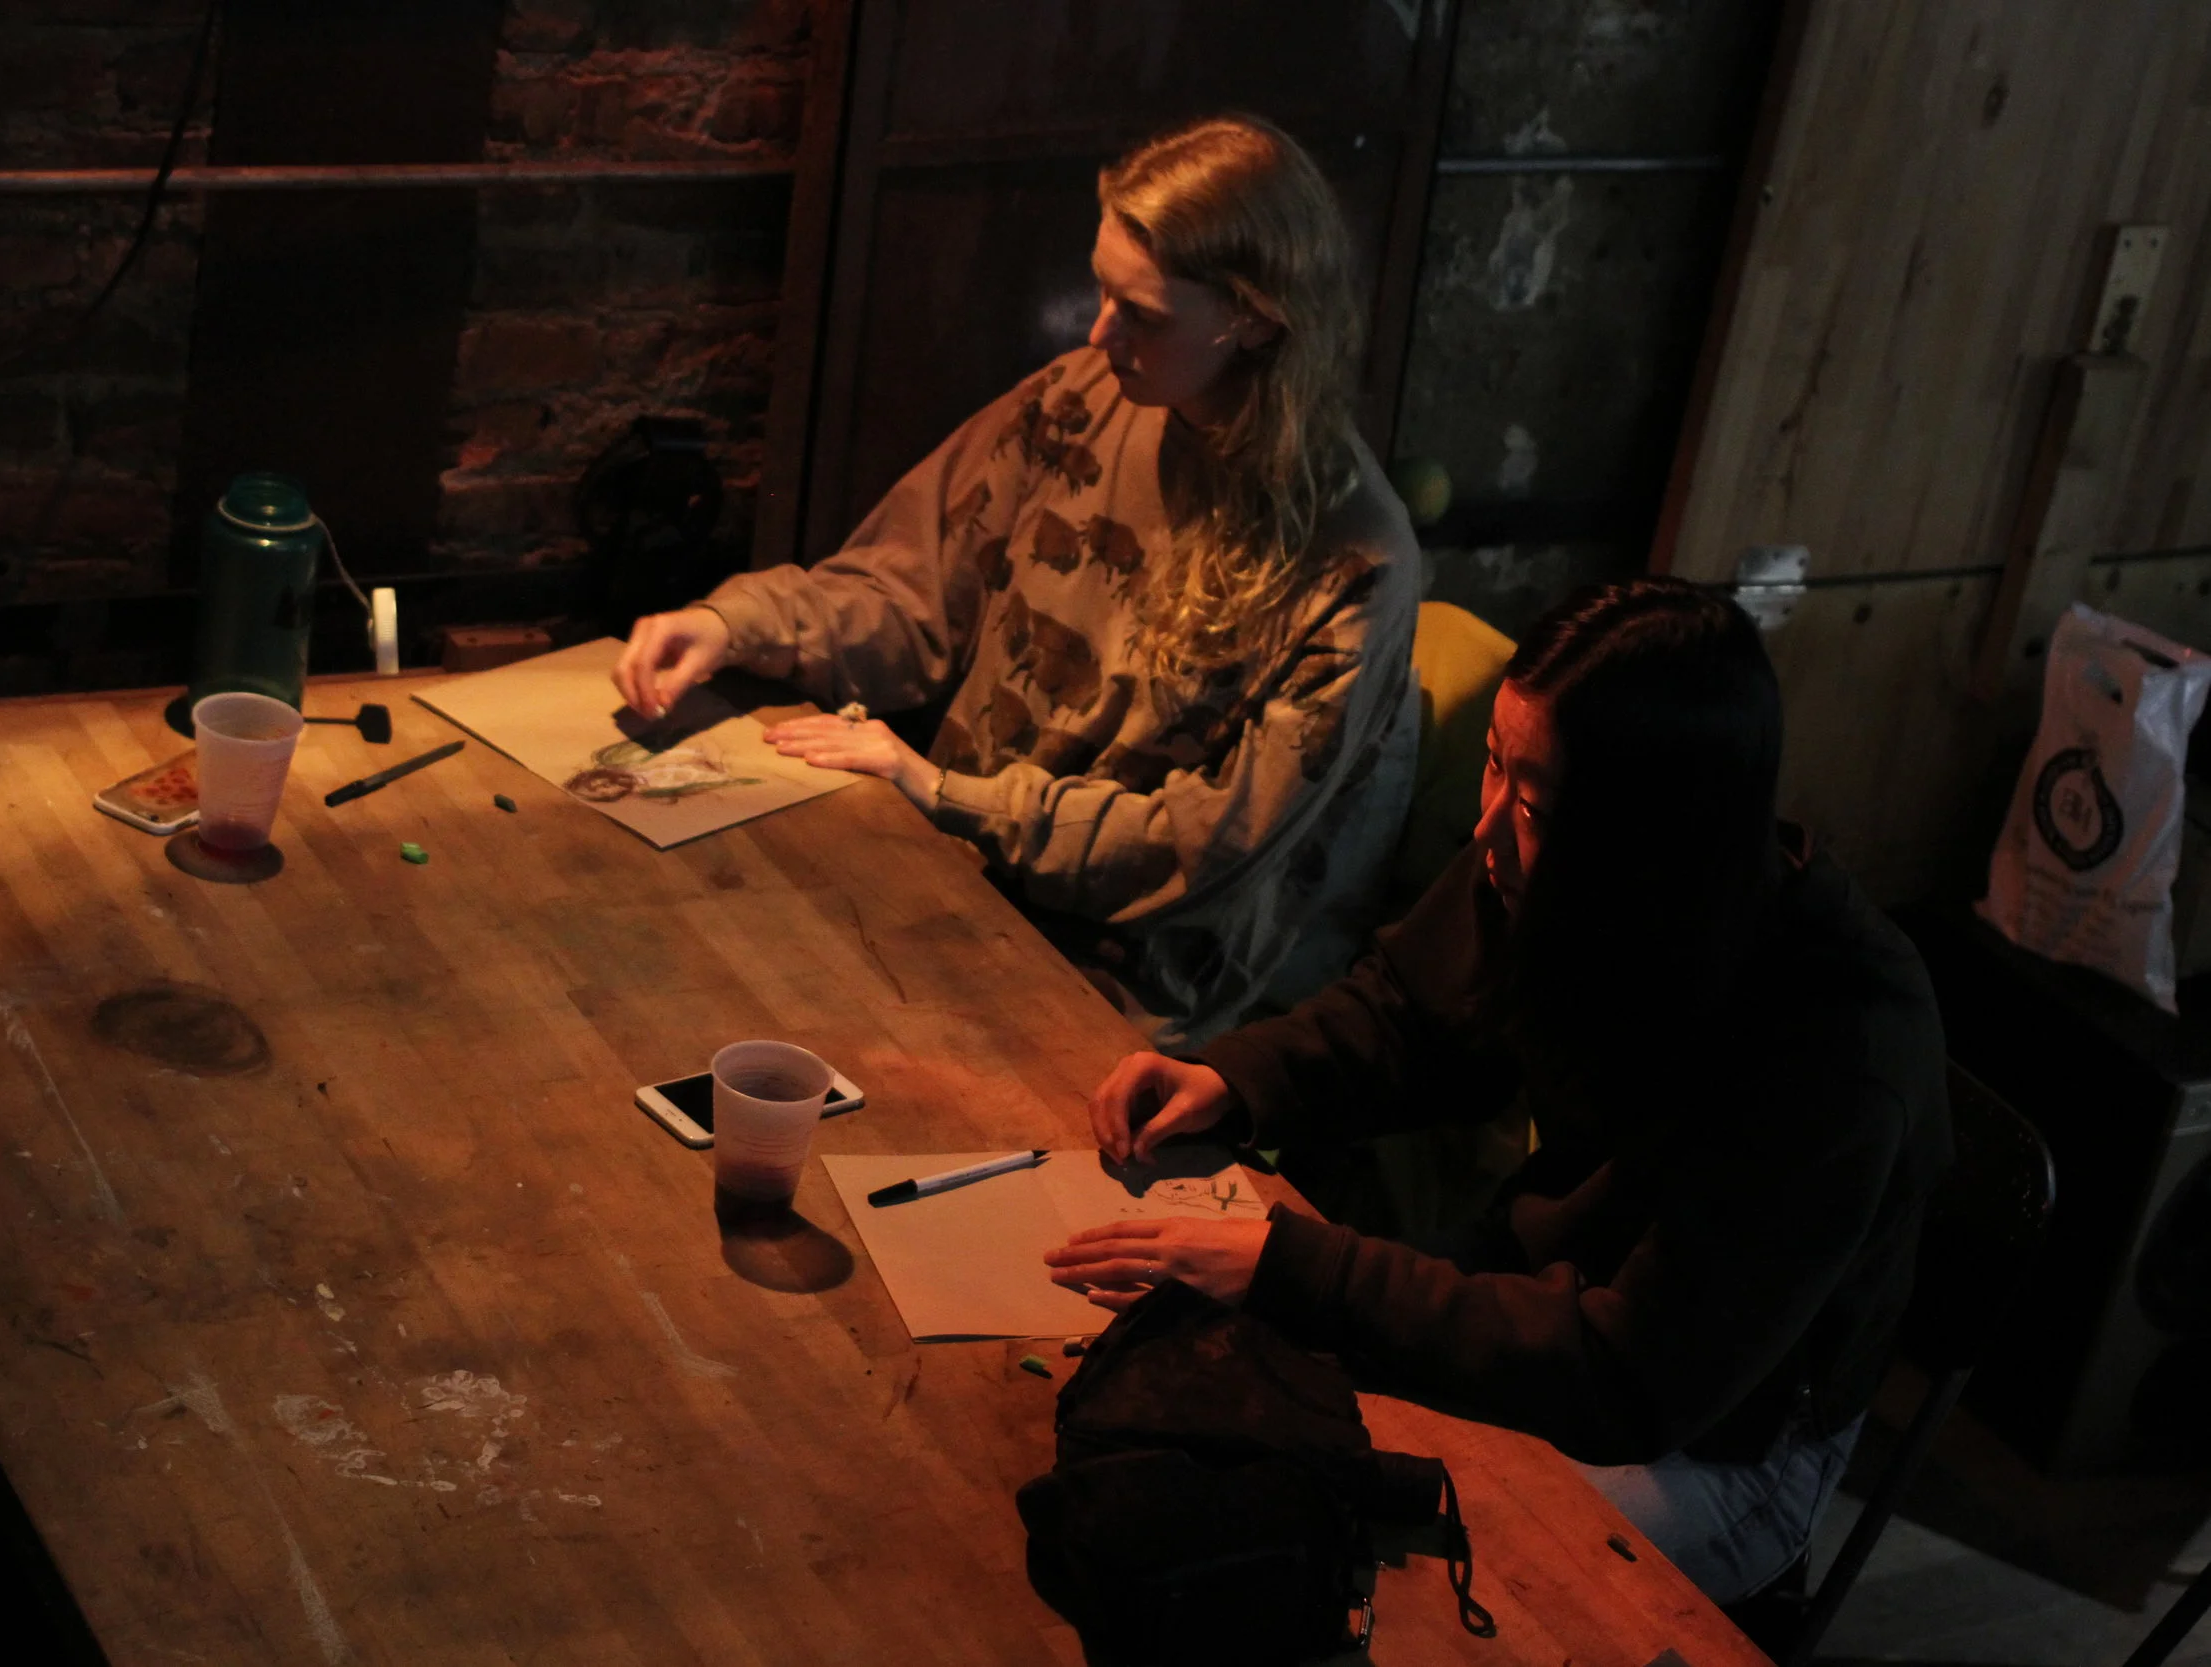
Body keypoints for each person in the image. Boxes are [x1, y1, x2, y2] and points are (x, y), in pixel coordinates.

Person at [1043, 578, 1954, 1605]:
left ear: (1649, 839)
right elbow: (1412, 1011)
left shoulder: (1834, 1048)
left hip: (1718, 1437)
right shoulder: (1548, 861)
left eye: (1530, 804)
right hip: (1553, 1292)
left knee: (1390, 1579)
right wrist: (1234, 1077)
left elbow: (1632, 1379)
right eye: (1492, 763)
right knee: (1220, 1434)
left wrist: (1295, 1267)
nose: (1484, 828)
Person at [611, 116, 1421, 1046]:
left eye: (1145, 315)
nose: (1101, 332)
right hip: (945, 863)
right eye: (1102, 291)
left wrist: (945, 793)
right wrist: (736, 623)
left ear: (1256, 318)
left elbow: (1206, 847)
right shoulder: (1084, 397)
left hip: (1118, 975)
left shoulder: (1353, 563)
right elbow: (911, 594)